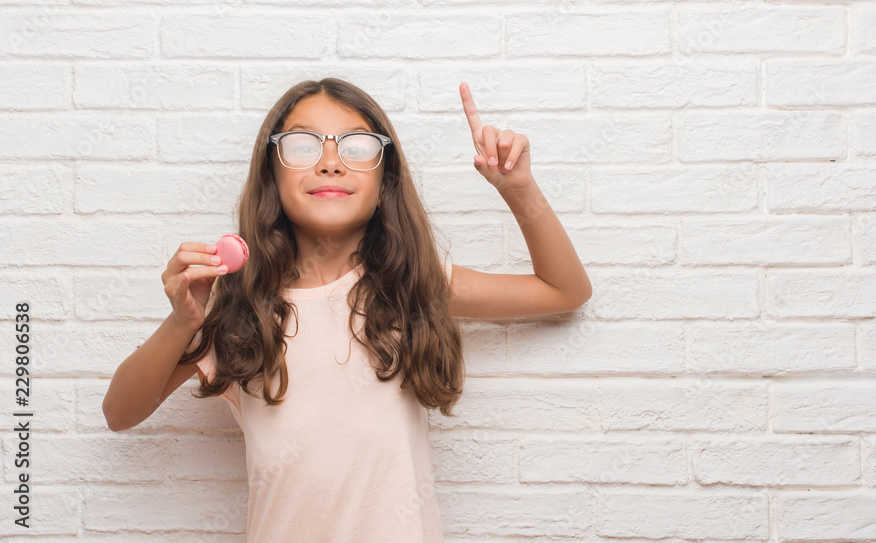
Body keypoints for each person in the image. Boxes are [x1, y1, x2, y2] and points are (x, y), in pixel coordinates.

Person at [102, 77, 592, 542]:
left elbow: (563, 290)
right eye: (303, 146)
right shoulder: (237, 310)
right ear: (272, 175)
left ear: (385, 183)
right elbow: (120, 412)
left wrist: (518, 190)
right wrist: (182, 322)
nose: (331, 162)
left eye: (357, 147)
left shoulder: (415, 284)